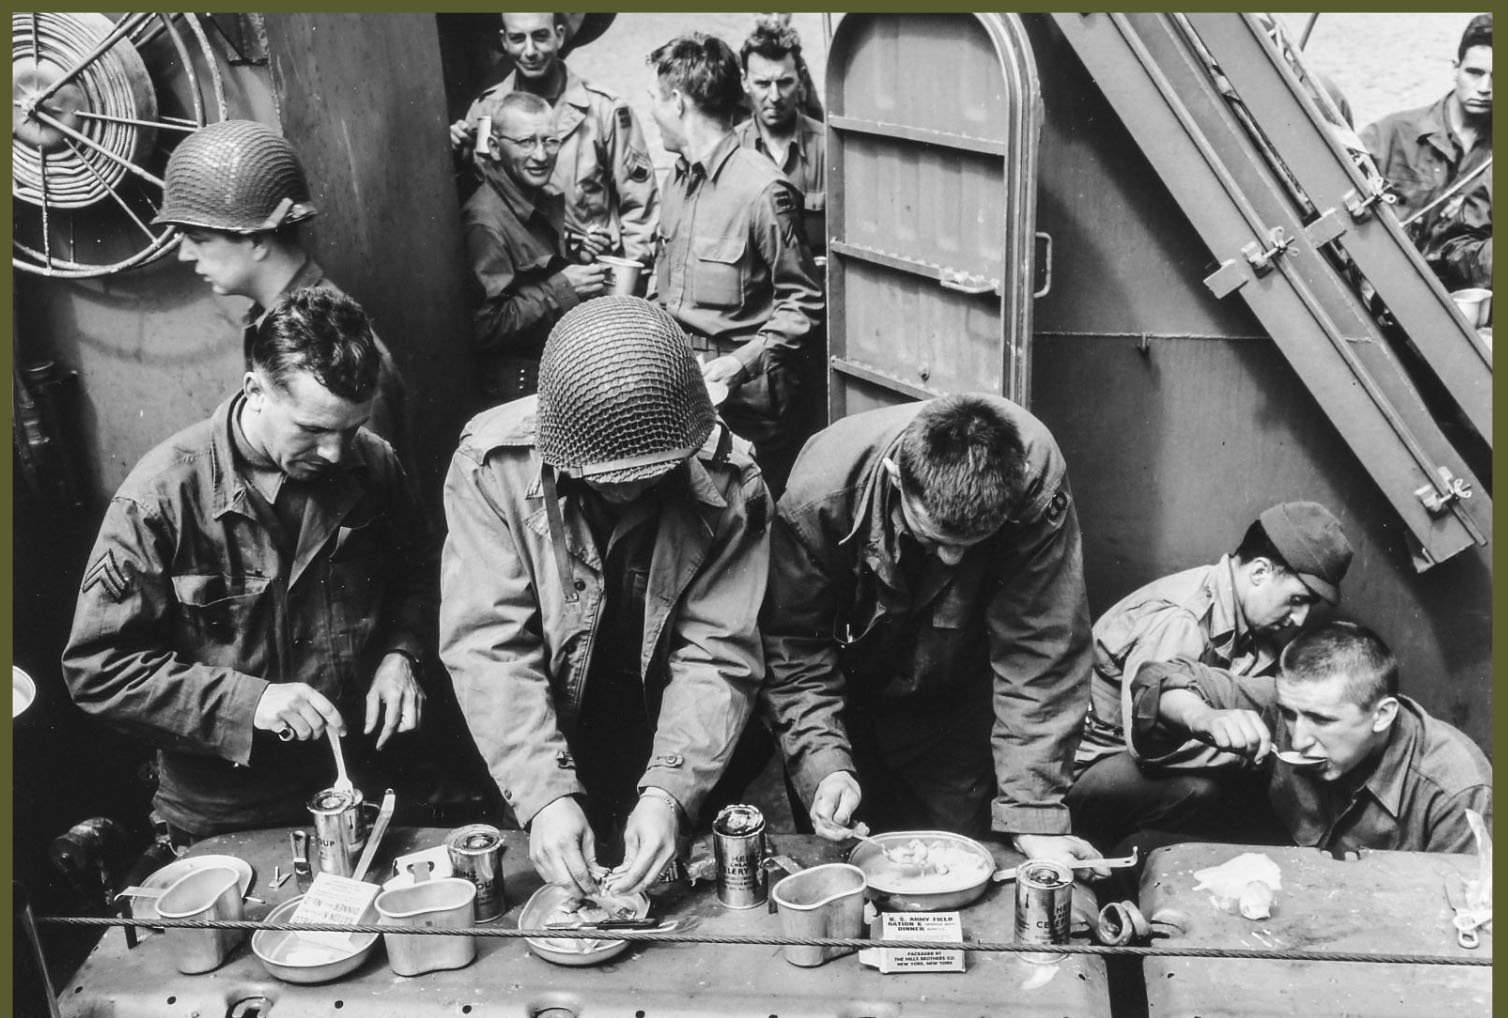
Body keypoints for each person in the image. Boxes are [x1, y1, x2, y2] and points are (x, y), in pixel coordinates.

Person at [62, 289, 434, 844]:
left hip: (361, 787)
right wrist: (249, 701)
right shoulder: (161, 498)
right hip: (228, 815)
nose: (335, 453)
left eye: (349, 428)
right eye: (311, 430)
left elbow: (421, 576)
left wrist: (402, 652)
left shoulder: (374, 464)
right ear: (255, 391)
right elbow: (99, 669)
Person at [440, 298, 771, 896]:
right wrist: (542, 793)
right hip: (544, 724)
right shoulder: (494, 467)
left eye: (653, 472)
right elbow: (489, 643)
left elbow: (717, 652)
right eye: (610, 478)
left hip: (674, 725)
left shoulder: (731, 480)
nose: (633, 489)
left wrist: (672, 789)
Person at [762, 393, 1105, 876]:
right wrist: (824, 764)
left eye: (971, 547)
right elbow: (794, 646)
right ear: (896, 478)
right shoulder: (820, 494)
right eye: (936, 539)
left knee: (959, 866)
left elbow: (1041, 651)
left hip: (958, 707)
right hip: (844, 700)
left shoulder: (1034, 478)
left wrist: (1034, 816)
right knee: (845, 867)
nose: (951, 560)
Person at [1067, 502, 1353, 849]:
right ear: (1260, 572)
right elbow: (1149, 745)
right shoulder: (1183, 619)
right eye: (1296, 599)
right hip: (1086, 772)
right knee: (1200, 792)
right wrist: (1250, 754)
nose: (1300, 619)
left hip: (1123, 765)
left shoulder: (1244, 619)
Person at [153, 120, 411, 470]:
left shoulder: (338, 353)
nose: (184, 254)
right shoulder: (280, 323)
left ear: (257, 239)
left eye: (198, 240)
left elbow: (365, 496)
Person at [1128, 622, 1491, 855]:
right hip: (1292, 871)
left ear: (1382, 715)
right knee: (1141, 853)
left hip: (1389, 928)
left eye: (1321, 720)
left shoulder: (1457, 789)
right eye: (1289, 714)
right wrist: (1202, 716)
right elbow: (1159, 677)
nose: (1298, 738)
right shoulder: (1294, 701)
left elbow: (1471, 923)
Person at [647, 32, 824, 498]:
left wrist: (739, 365)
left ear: (679, 102)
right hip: (683, 396)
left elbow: (803, 303)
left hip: (749, 412)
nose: (654, 112)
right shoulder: (677, 182)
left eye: (655, 99)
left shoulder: (763, 190)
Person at [451, 12, 659, 269]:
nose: (530, 51)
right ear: (504, 41)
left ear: (559, 35)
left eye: (540, 36)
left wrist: (626, 284)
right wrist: (456, 156)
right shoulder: (485, 112)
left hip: (591, 277)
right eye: (517, 39)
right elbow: (479, 200)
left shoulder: (604, 111)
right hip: (524, 284)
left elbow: (640, 207)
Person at [462, 89, 608, 401]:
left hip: (550, 380)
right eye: (526, 142)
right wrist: (565, 286)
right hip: (516, 394)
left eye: (549, 140)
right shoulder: (484, 221)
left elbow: (533, 273)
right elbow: (486, 327)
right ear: (494, 147)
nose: (541, 155)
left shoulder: (537, 196)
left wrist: (575, 257)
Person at [1361, 14, 1492, 292]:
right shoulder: (1392, 134)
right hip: (1377, 291)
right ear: (1455, 68)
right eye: (1475, 72)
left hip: (1454, 304)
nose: (1485, 89)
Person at [735, 17, 827, 258]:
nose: (774, 96)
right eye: (763, 84)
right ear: (745, 82)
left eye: (784, 82)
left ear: (802, 78)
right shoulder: (730, 150)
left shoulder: (829, 148)